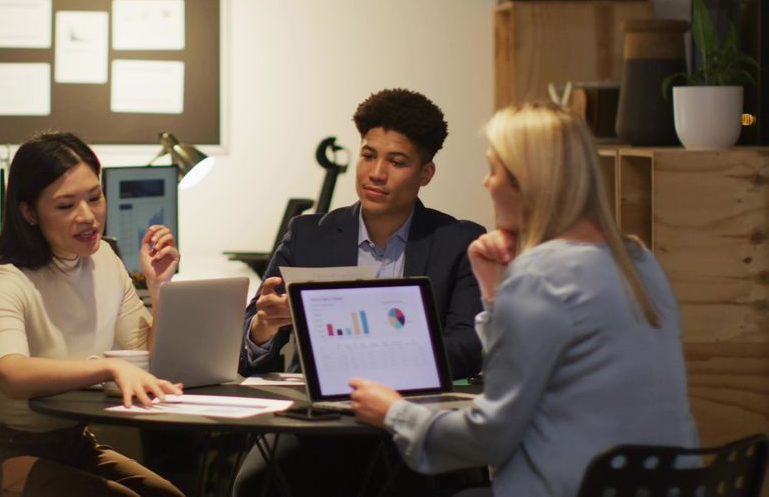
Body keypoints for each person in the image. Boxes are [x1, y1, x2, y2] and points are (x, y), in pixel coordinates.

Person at [350, 102, 699, 497]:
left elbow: (490, 436)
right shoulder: (639, 261)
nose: (487, 183)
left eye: (494, 170)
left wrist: (394, 413)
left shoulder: (540, 277)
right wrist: (496, 295)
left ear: (529, 183)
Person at [233, 88, 486, 496]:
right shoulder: (308, 236)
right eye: (369, 155)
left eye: (397, 161)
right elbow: (249, 349)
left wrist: (386, 371)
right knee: (254, 484)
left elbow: (468, 344)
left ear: (426, 173)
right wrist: (263, 325)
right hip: (323, 424)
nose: (376, 173)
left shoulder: (459, 242)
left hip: (413, 417)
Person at [0, 131, 184, 497]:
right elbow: (12, 374)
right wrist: (108, 366)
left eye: (94, 197)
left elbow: (147, 358)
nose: (88, 216)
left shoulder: (105, 259)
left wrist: (158, 287)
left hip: (69, 445)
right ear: (29, 213)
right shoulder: (5, 279)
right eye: (66, 206)